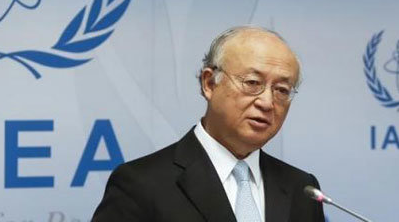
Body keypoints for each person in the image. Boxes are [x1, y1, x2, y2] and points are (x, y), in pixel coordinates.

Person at [92, 26, 325, 222]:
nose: (267, 102)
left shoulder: (302, 189)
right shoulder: (140, 184)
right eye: (253, 82)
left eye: (282, 90)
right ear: (209, 84)